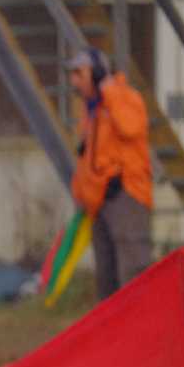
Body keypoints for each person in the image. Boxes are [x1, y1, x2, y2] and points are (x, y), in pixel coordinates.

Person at [66, 47, 153, 299]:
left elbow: (131, 127)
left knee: (133, 271)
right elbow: (87, 156)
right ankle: (113, 325)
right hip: (99, 201)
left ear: (97, 74)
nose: (74, 81)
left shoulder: (124, 97)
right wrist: (81, 193)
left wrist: (110, 91)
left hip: (126, 195)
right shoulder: (91, 109)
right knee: (106, 278)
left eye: (79, 73)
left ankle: (138, 322)